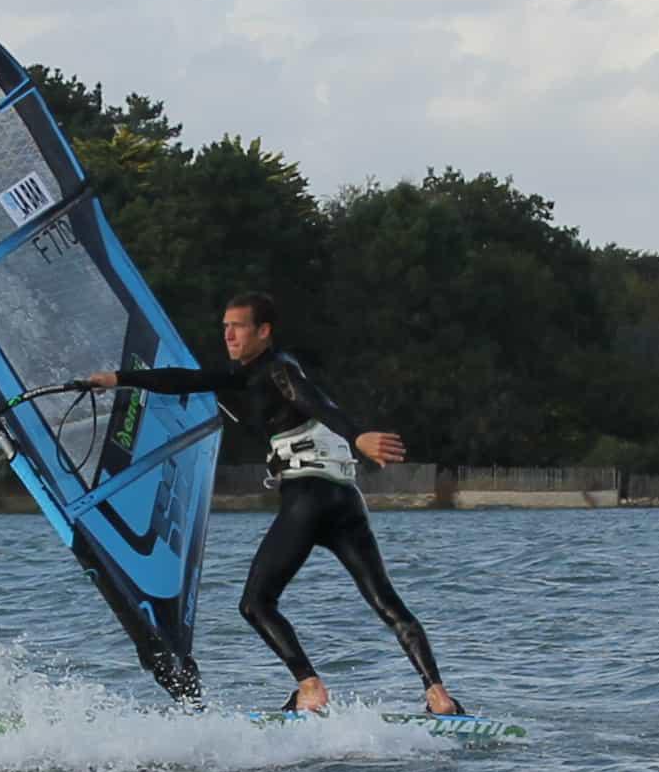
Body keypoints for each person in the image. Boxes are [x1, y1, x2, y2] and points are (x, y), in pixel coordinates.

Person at [83, 296, 465, 718]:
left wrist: (357, 436)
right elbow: (184, 380)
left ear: (263, 331)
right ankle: (438, 695)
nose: (228, 334)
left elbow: (315, 402)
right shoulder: (244, 374)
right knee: (385, 601)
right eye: (225, 326)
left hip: (309, 498)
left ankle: (310, 688)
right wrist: (119, 377)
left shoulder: (279, 369)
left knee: (255, 604)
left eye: (239, 326)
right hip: (343, 499)